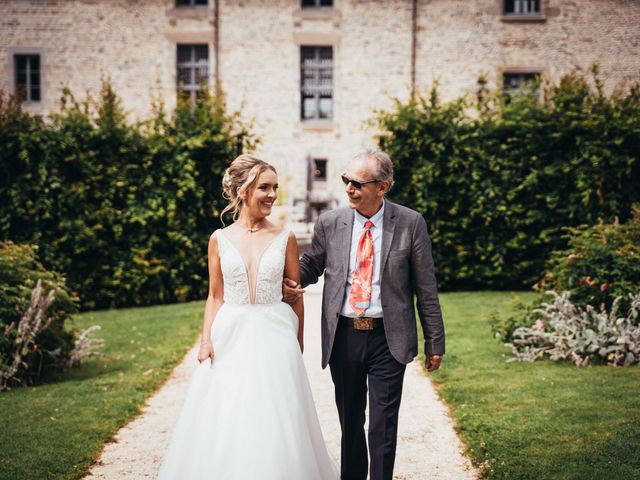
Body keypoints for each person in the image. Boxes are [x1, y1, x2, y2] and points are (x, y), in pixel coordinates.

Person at [157, 154, 339, 480]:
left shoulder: (286, 238)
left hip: (276, 335)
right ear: (242, 191)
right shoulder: (219, 239)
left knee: (275, 416)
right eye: (264, 188)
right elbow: (215, 295)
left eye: (275, 188)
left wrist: (296, 347)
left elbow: (296, 297)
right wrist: (205, 341)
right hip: (230, 335)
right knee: (229, 412)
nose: (272, 195)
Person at [284, 150, 445, 480]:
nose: (349, 188)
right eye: (346, 180)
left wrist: (435, 341)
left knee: (383, 426)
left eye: (357, 183)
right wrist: (284, 275)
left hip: (389, 338)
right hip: (343, 336)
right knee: (351, 422)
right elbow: (312, 264)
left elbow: (426, 287)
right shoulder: (331, 222)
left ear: (383, 187)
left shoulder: (411, 224)